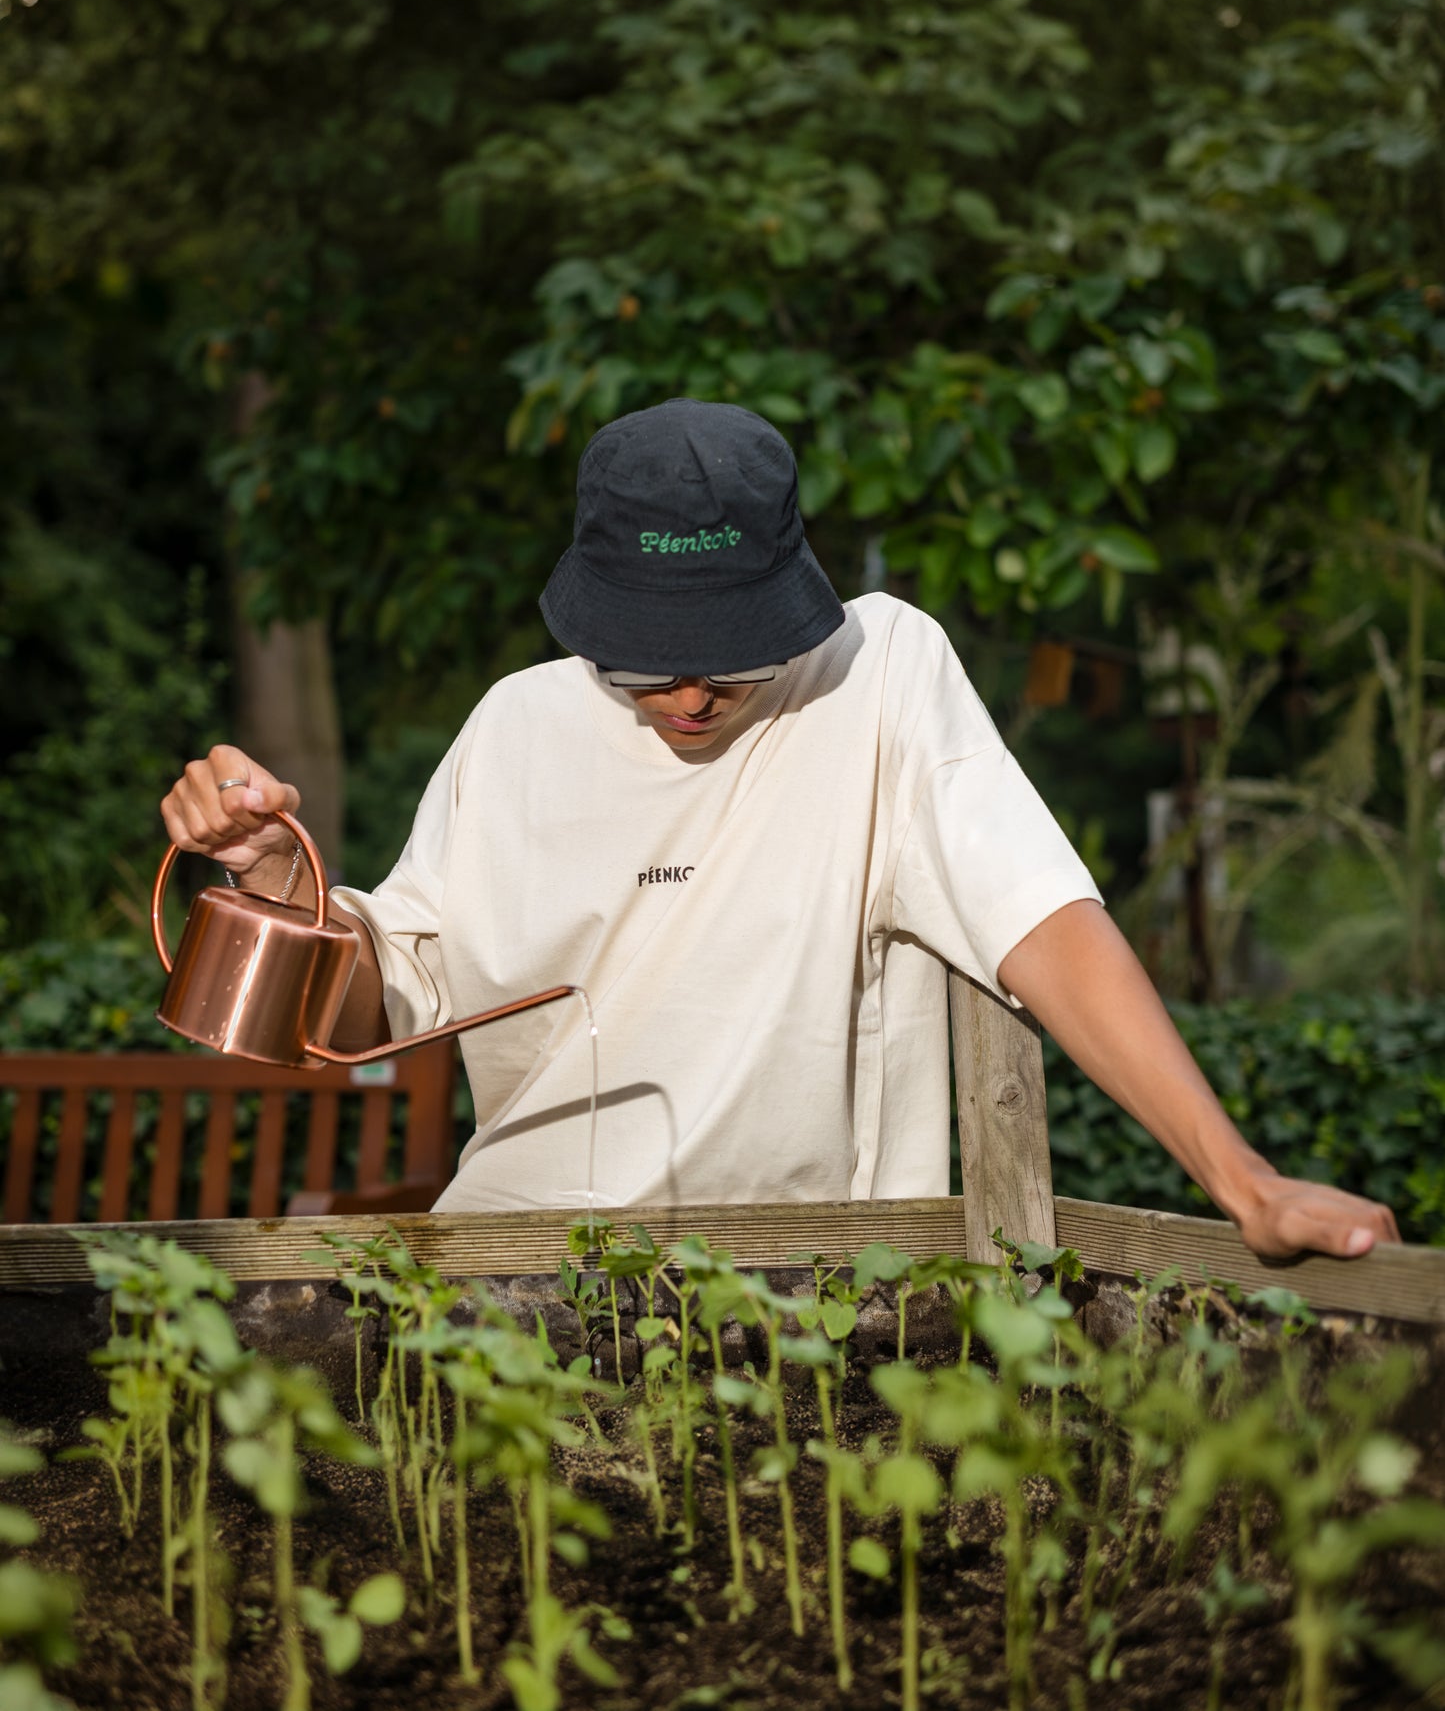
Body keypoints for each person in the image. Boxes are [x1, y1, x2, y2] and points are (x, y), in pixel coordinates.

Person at [161, 398, 1399, 1259]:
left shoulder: (881, 675)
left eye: (734, 665)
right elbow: (383, 1003)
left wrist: (1238, 1178)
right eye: (650, 667)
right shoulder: (513, 729)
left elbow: (1042, 915)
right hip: (510, 1263)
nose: (691, 700)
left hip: (811, 1286)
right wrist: (278, 880)